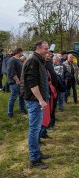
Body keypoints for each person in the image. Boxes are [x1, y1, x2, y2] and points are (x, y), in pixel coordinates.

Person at [22, 40, 51, 169]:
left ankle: (37, 153)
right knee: (34, 129)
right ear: (38, 48)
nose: (48, 51)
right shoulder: (33, 60)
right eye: (46, 48)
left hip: (37, 100)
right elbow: (32, 83)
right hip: (34, 100)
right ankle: (34, 159)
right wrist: (40, 99)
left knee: (37, 128)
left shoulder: (39, 60)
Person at [7, 48, 26, 117]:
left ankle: (22, 110)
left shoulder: (18, 60)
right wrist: (17, 80)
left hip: (20, 82)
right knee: (13, 97)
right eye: (22, 52)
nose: (22, 53)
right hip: (14, 82)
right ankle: (10, 113)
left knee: (21, 97)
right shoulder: (12, 60)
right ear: (19, 52)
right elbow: (12, 71)